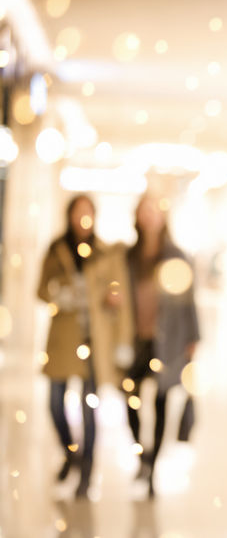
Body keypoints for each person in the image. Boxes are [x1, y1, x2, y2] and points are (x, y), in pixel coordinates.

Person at [38, 194, 133, 499]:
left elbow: (119, 295)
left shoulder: (105, 253)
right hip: (63, 339)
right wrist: (58, 295)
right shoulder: (57, 249)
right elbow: (41, 290)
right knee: (55, 403)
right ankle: (71, 453)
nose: (82, 218)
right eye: (78, 212)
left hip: (94, 340)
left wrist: (121, 337)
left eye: (87, 212)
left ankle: (87, 472)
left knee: (89, 407)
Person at [122, 195, 200, 497]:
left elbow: (189, 301)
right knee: (130, 398)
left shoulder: (175, 256)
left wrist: (193, 338)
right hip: (136, 340)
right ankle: (142, 453)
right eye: (145, 210)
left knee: (161, 402)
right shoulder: (129, 257)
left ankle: (152, 469)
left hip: (167, 341)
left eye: (155, 210)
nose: (150, 216)